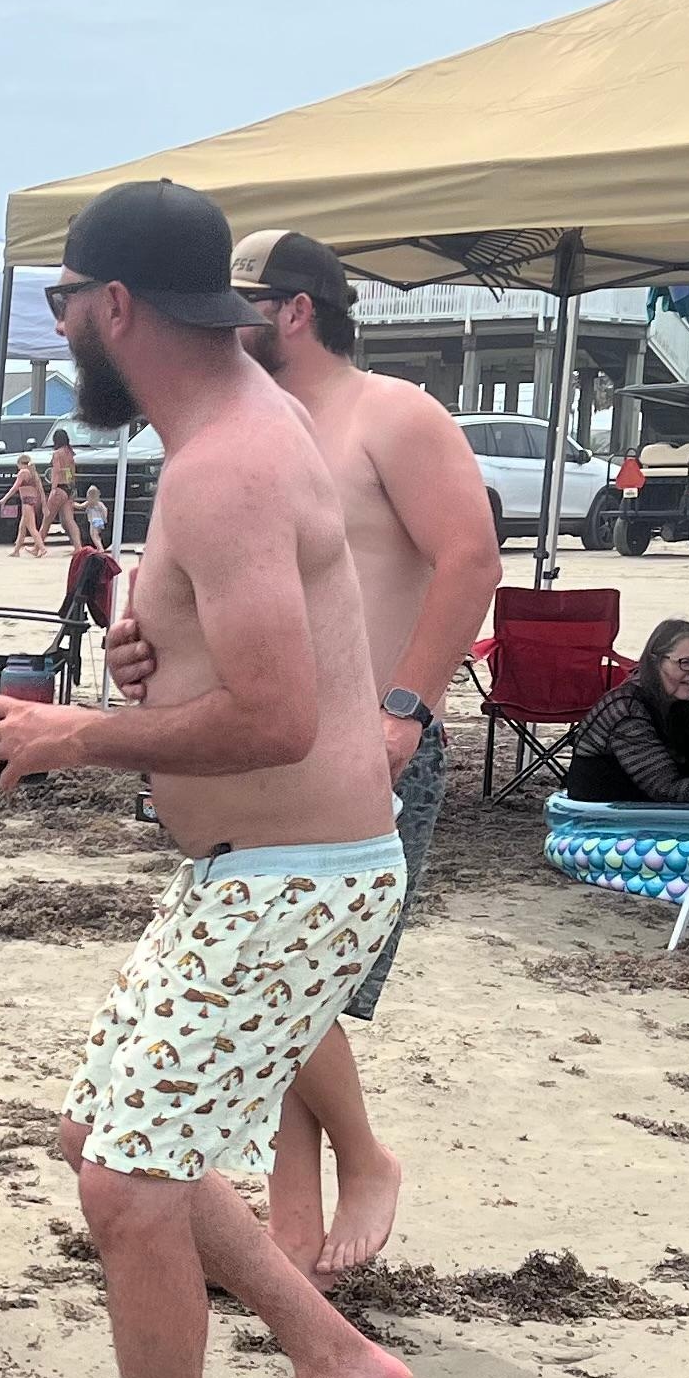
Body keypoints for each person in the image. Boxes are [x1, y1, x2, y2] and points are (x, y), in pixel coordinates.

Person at [0, 180, 409, 1378]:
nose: (59, 331)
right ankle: (334, 1359)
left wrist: (78, 735)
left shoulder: (225, 461)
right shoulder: (237, 428)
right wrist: (155, 655)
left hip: (295, 874)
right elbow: (262, 659)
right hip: (267, 869)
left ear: (112, 306)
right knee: (102, 1136)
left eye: (63, 305)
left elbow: (277, 717)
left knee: (131, 1187)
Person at [216, 228, 499, 1275]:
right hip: (272, 751)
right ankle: (292, 1230)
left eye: (241, 305)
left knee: (296, 986)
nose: (221, 325)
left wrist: (405, 709)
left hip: (373, 744)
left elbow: (471, 558)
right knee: (283, 994)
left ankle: (360, 1167)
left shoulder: (393, 413)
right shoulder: (256, 425)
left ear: (295, 310)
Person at [564, 620, 689, 800]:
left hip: (648, 811)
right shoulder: (626, 709)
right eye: (685, 662)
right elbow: (665, 788)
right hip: (605, 814)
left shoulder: (684, 705)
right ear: (655, 662)